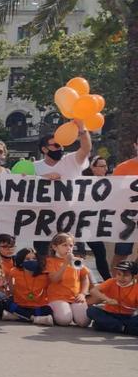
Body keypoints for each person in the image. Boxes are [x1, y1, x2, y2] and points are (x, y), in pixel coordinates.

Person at [33, 123, 91, 256]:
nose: (61, 148)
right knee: (45, 263)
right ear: (44, 149)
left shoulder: (72, 160)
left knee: (74, 264)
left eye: (62, 145)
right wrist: (42, 178)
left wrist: (82, 129)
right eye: (56, 145)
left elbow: (86, 149)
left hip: (72, 225)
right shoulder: (34, 167)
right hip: (44, 227)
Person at [44, 232, 91, 327]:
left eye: (71, 245)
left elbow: (85, 278)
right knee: (64, 320)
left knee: (84, 322)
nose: (68, 248)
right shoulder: (50, 261)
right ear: (55, 247)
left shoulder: (77, 260)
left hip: (75, 297)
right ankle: (55, 311)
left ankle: (72, 312)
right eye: (64, 245)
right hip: (57, 297)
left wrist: (83, 293)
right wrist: (66, 263)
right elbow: (54, 279)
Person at [2, 248, 55, 325]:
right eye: (27, 259)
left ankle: (18, 316)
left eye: (34, 258)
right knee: (7, 303)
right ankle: (34, 319)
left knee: (48, 309)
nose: (31, 261)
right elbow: (12, 291)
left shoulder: (44, 274)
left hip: (37, 306)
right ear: (21, 261)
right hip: (20, 304)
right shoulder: (14, 271)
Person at [86, 260, 138, 335]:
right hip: (109, 314)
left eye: (126, 275)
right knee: (91, 310)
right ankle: (124, 328)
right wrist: (108, 299)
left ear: (134, 276)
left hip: (128, 317)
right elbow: (93, 290)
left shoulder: (136, 287)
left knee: (99, 324)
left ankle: (113, 327)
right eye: (119, 274)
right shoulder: (111, 281)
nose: (121, 278)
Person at [110, 132, 138, 268]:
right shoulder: (123, 168)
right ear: (135, 145)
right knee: (122, 252)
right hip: (127, 218)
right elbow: (113, 192)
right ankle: (115, 283)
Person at [82, 156, 111, 280]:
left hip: (96, 225)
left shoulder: (111, 182)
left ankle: (108, 281)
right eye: (102, 166)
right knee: (75, 254)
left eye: (106, 165)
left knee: (100, 252)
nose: (106, 168)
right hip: (81, 223)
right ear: (92, 167)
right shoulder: (82, 182)